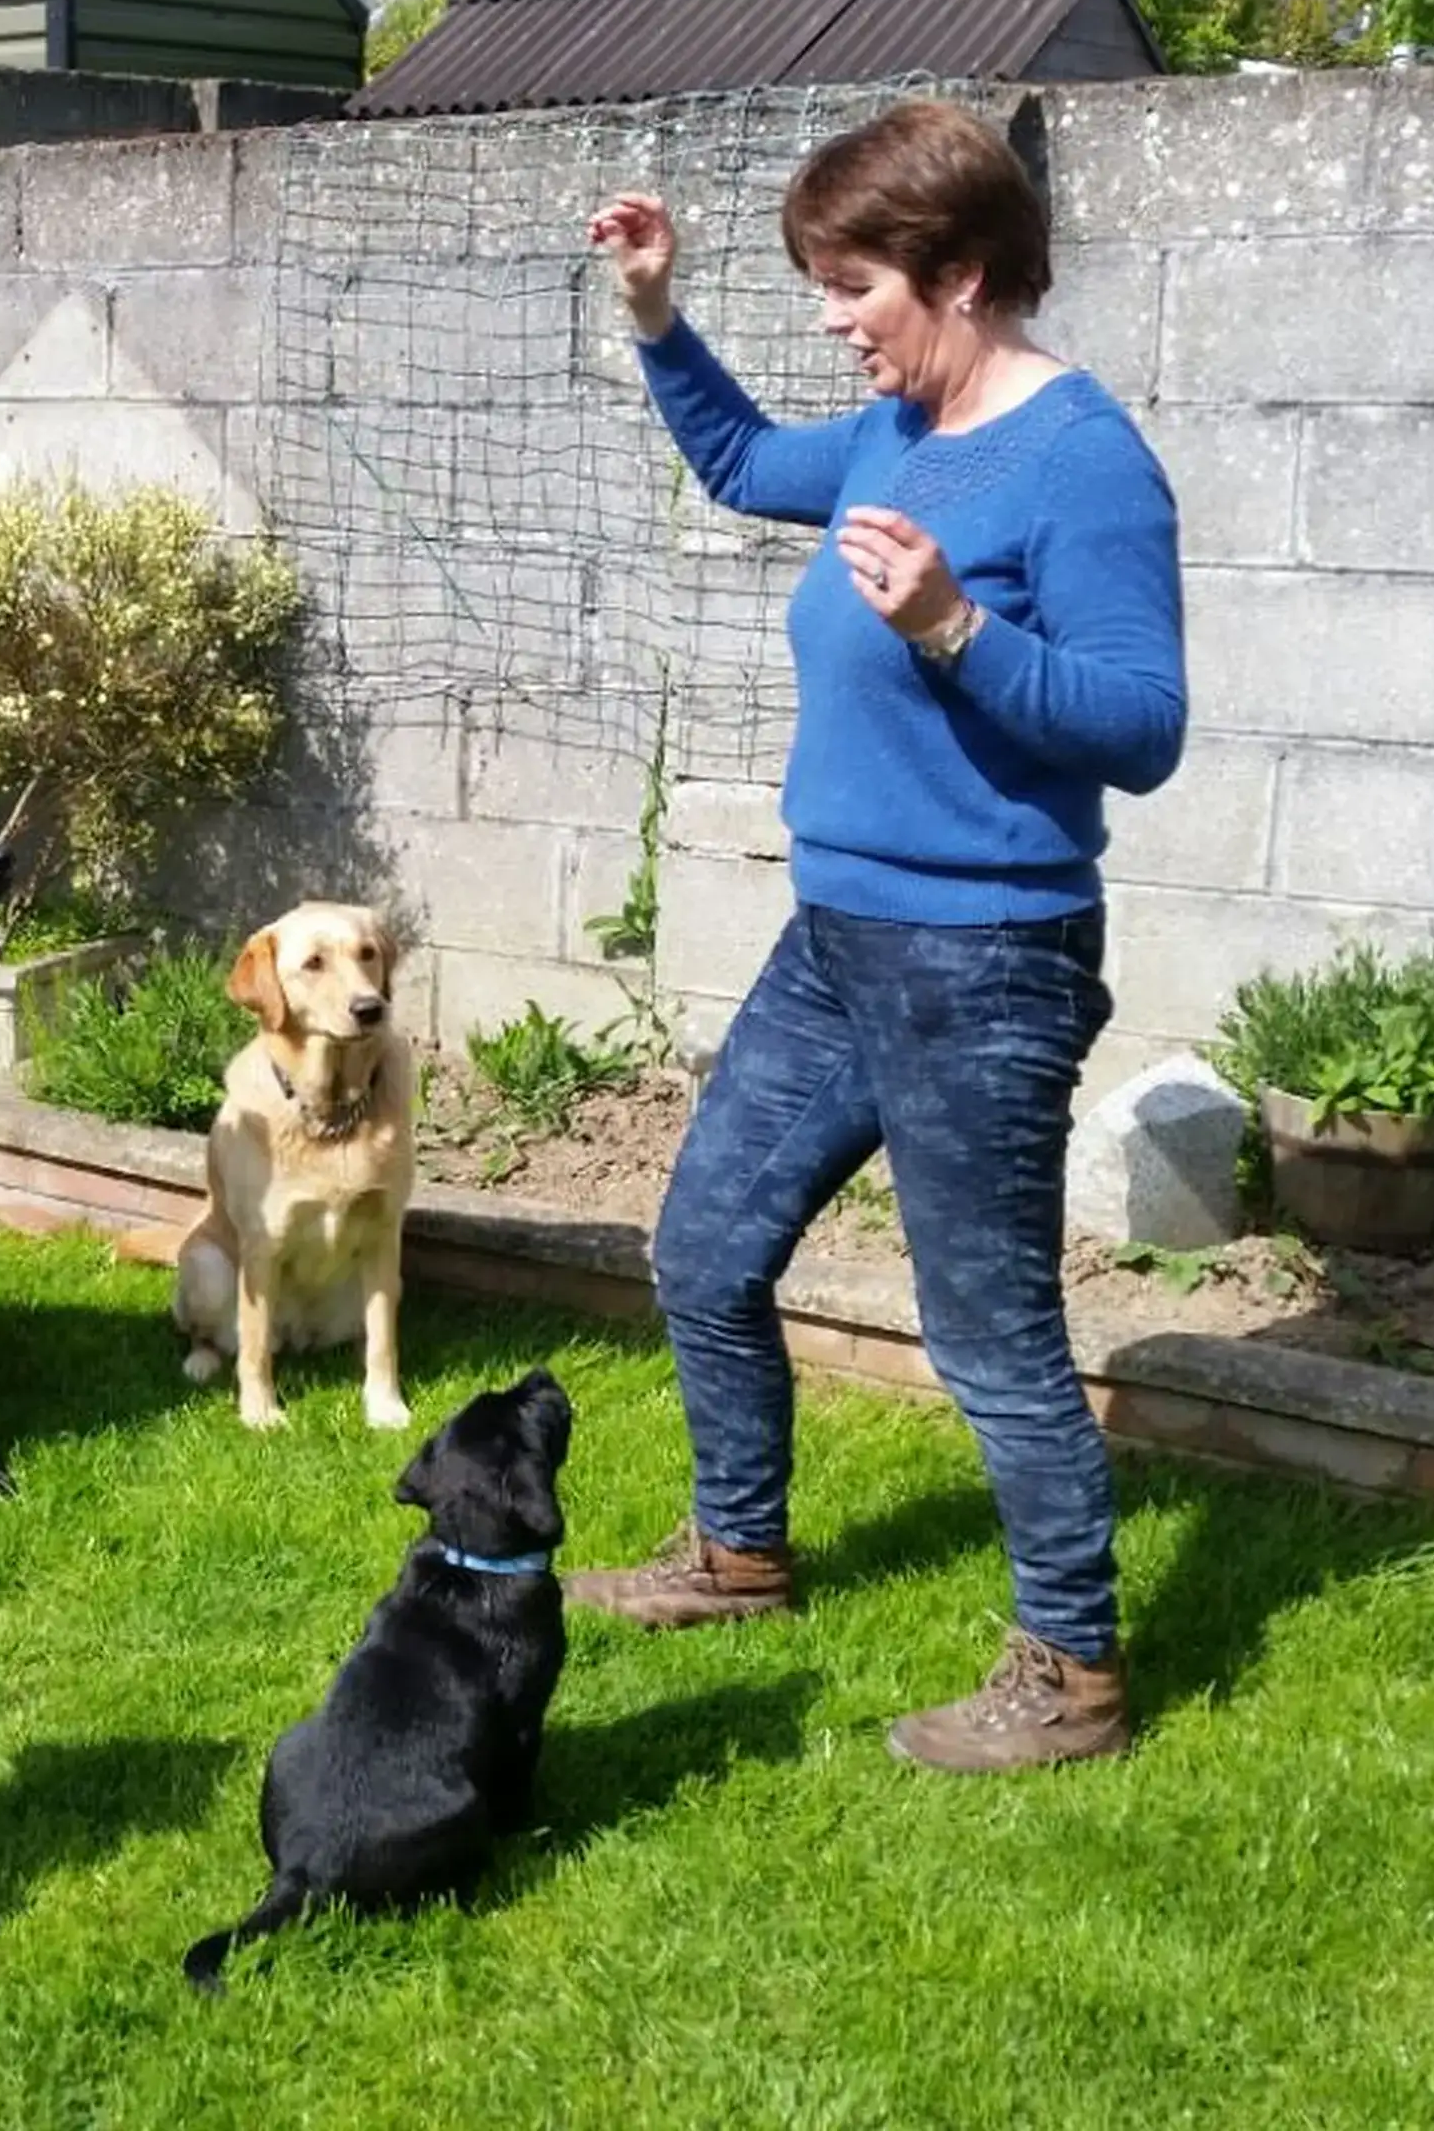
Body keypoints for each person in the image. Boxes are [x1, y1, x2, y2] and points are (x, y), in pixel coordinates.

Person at [562, 101, 1188, 1774]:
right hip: (838, 937)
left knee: (989, 1334)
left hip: (984, 961)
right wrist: (656, 310)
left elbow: (1144, 726)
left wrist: (957, 626)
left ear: (961, 272)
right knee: (703, 1252)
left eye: (856, 286)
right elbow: (739, 461)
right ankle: (738, 1555)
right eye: (823, 285)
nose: (836, 318)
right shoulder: (893, 432)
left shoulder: (1082, 462)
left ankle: (1073, 1676)